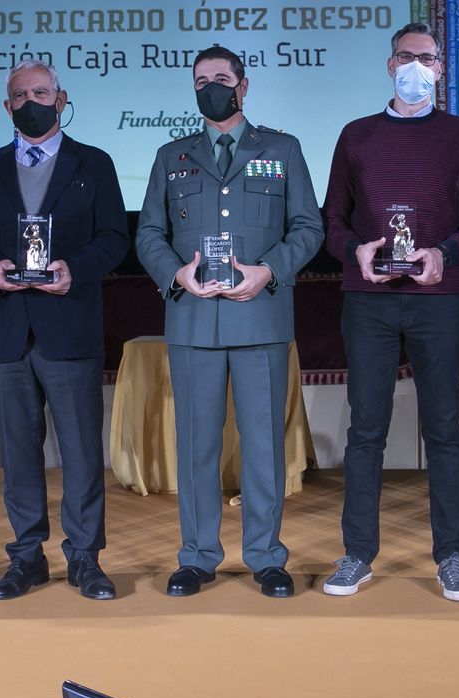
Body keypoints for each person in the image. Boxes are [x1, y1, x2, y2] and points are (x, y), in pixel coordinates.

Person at [320, 23, 459, 603]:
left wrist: (443, 253)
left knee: (444, 430)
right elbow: (332, 223)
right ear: (389, 64)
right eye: (405, 56)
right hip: (369, 300)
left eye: (426, 58)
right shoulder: (356, 135)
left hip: (439, 299)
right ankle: (356, 555)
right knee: (365, 430)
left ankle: (451, 557)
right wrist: (358, 250)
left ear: (441, 70)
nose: (415, 66)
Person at [135, 45, 324, 598]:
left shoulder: (282, 149)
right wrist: (177, 275)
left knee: (264, 445)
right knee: (196, 445)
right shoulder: (172, 155)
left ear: (244, 85)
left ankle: (266, 557)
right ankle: (197, 556)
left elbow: (308, 227)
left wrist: (269, 270)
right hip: (193, 319)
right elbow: (149, 233)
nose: (210, 87)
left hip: (260, 317)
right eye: (201, 80)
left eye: (221, 78)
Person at [0, 59, 128, 601]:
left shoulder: (95, 163)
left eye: (42, 91)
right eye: (20, 93)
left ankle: (84, 558)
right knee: (18, 451)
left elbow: (115, 238)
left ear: (62, 99)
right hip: (10, 328)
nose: (31, 100)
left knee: (82, 450)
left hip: (70, 326)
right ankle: (26, 557)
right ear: (7, 104)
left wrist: (73, 270)